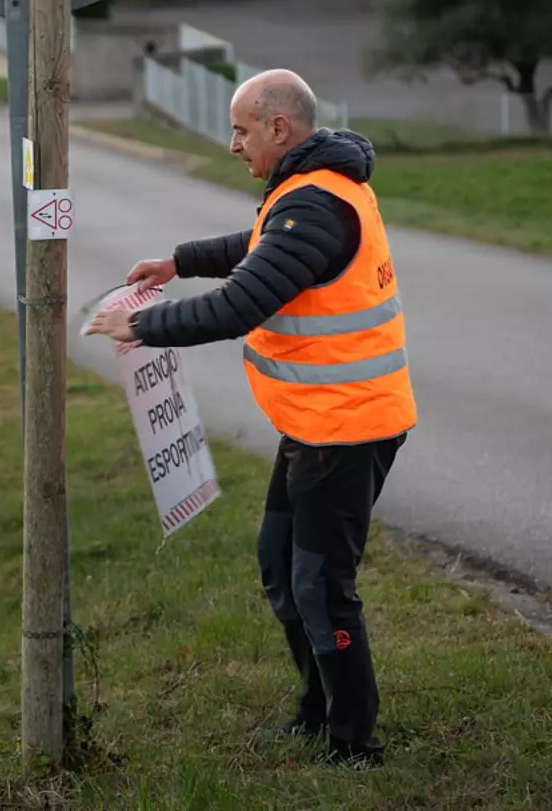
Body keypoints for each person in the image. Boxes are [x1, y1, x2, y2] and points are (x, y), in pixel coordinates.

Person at [86, 69, 417, 767]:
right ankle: (316, 708)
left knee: (323, 587)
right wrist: (178, 262)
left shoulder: (320, 203)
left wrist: (139, 323)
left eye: (240, 129)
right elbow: (262, 243)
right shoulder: (307, 192)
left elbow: (242, 302)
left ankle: (354, 742)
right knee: (280, 566)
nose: (231, 142)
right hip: (316, 421)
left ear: (279, 128)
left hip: (348, 426)